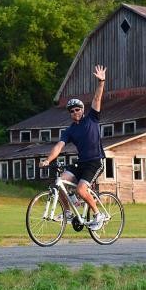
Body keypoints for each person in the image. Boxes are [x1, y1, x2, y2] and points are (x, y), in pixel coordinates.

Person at [40, 65, 108, 230]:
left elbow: (97, 99)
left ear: (82, 110)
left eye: (77, 109)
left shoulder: (91, 118)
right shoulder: (70, 130)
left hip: (95, 162)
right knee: (61, 181)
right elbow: (59, 146)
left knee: (80, 190)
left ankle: (99, 215)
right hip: (82, 162)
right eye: (71, 110)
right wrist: (48, 160)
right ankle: (69, 212)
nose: (75, 112)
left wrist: (101, 82)